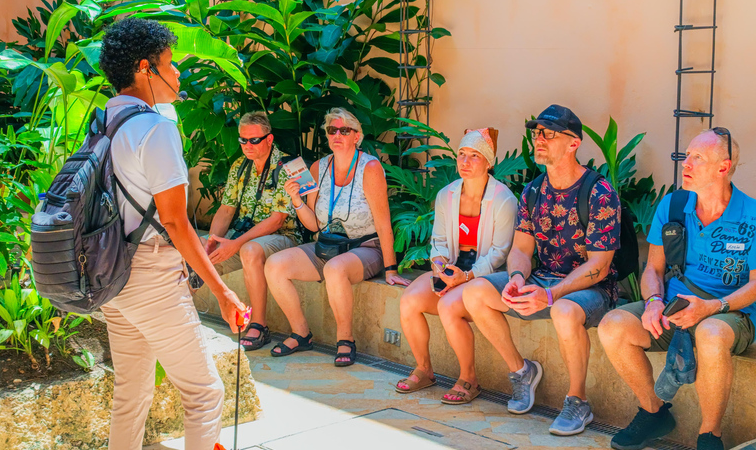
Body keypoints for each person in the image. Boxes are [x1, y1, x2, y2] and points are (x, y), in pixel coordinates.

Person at [97, 18, 247, 450]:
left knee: (131, 394)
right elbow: (177, 223)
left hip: (112, 273)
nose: (178, 72)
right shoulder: (156, 129)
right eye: (171, 63)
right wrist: (223, 292)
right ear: (146, 68)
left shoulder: (106, 120)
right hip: (150, 275)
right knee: (204, 395)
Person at [463, 104, 621, 435]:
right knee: (476, 292)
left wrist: (550, 294)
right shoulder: (534, 190)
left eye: (549, 134)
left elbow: (600, 265)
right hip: (542, 280)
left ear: (573, 143)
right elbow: (522, 249)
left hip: (590, 290)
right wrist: (518, 279)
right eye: (537, 133)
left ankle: (578, 401)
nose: (539, 139)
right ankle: (521, 372)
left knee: (563, 310)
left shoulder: (598, 192)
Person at [598, 128, 756, 450]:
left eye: (698, 158)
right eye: (687, 155)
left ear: (723, 168)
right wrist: (654, 301)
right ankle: (653, 412)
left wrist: (712, 307)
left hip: (729, 312)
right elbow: (653, 269)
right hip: (674, 307)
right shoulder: (672, 205)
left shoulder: (752, 215)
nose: (687, 163)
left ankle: (709, 436)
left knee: (710, 334)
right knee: (613, 326)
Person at [264, 107, 409, 366]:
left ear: (357, 136)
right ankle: (301, 333)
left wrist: (390, 269)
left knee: (334, 269)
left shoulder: (370, 167)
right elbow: (314, 225)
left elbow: (384, 223)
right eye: (332, 130)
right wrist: (297, 200)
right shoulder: (319, 167)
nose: (337, 134)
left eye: (345, 130)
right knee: (275, 265)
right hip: (328, 245)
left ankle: (346, 340)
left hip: (365, 246)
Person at [395, 128, 517, 404]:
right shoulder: (446, 195)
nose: (465, 161)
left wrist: (467, 276)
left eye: (474, 156)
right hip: (453, 268)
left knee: (448, 307)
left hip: (485, 275)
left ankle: (468, 379)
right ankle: (424, 369)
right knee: (410, 301)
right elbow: (438, 240)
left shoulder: (503, 199)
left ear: (489, 162)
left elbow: (500, 253)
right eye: (462, 154)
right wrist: (439, 266)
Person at [202, 111, 301, 351]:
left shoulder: (291, 165)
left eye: (254, 140)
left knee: (248, 249)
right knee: (196, 247)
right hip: (245, 235)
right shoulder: (240, 165)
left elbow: (277, 221)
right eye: (243, 140)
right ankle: (179, 317)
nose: (248, 145)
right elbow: (226, 210)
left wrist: (234, 244)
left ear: (269, 139)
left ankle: (259, 325)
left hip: (285, 238)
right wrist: (212, 241)